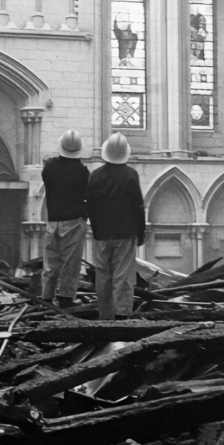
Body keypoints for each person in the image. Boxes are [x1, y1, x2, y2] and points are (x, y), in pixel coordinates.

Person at [86, 132, 146, 320]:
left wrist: (96, 229)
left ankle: (104, 313)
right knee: (122, 274)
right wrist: (141, 233)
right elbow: (138, 206)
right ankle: (121, 313)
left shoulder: (95, 175)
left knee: (103, 274)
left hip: (102, 233)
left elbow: (90, 206)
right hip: (125, 233)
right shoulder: (131, 175)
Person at [41, 129, 90, 308]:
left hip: (53, 219)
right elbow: (88, 195)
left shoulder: (50, 166)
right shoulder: (82, 171)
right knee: (70, 262)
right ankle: (66, 298)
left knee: (50, 261)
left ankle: (46, 296)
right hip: (73, 221)